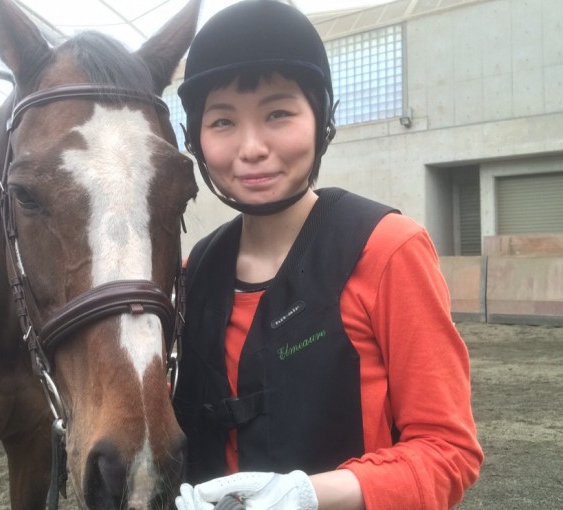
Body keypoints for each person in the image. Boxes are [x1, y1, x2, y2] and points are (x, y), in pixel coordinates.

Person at [171, 1, 484, 509]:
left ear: (321, 117)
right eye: (222, 121)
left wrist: (309, 495)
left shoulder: (387, 249)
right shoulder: (194, 273)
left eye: (278, 113)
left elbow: (449, 451)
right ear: (196, 137)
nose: (251, 147)